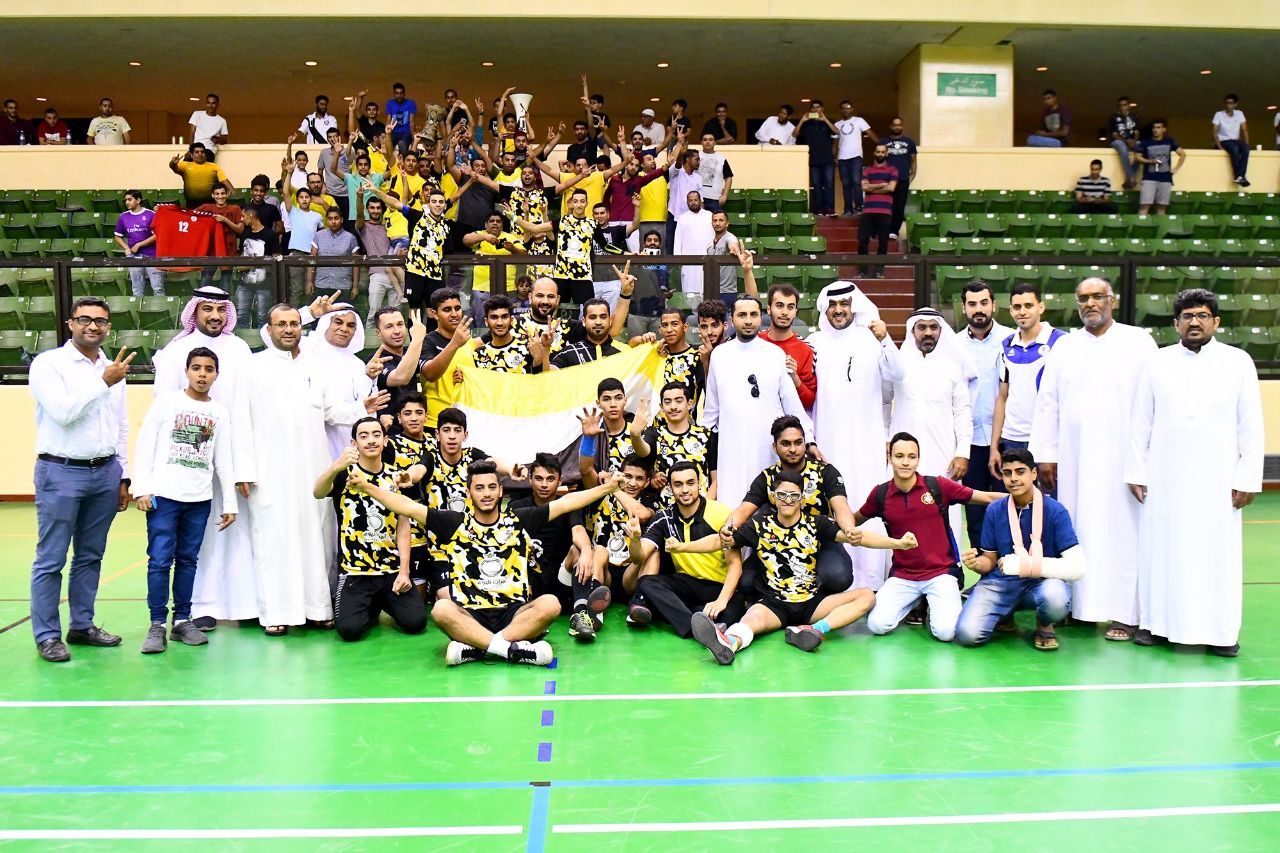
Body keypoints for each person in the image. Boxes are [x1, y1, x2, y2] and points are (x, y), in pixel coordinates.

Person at [352, 459, 620, 666]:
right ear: (469, 492)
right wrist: (365, 486)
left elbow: (567, 502)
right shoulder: (453, 523)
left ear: (501, 490)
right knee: (441, 609)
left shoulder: (518, 519)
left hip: (513, 614)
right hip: (471, 615)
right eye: (479, 488)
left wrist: (607, 488)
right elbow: (406, 507)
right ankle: (511, 650)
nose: (487, 493)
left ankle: (479, 649)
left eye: (492, 487)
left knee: (550, 603)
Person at [1125, 289, 1263, 657]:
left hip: (1218, 479)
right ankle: (1156, 625)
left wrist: (1248, 478)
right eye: (1187, 316)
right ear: (1176, 324)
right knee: (1161, 551)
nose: (1194, 322)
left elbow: (1251, 425)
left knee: (1216, 554)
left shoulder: (1238, 362)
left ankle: (1220, 633)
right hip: (1164, 477)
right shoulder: (1157, 362)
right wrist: (1136, 471)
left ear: (1216, 322)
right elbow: (1141, 421)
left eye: (1202, 316)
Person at [234, 301, 382, 636]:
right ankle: (275, 613)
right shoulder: (252, 368)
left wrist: (362, 408)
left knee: (317, 537)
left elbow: (330, 410)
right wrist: (243, 470)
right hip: (268, 471)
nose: (289, 330)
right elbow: (239, 420)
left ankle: (318, 609)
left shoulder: (315, 367)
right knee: (273, 538)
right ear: (269, 330)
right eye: (281, 324)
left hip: (314, 469)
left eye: (294, 324)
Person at [1031, 278, 1157, 639]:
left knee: (1124, 534)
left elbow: (1153, 402)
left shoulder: (1139, 342)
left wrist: (1148, 457)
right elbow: (1048, 403)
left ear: (1111, 301)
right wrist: (1046, 456)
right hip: (1075, 460)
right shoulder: (1066, 347)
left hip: (1125, 461)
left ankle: (1124, 613)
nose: (1090, 304)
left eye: (1097, 297)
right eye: (1083, 298)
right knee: (1077, 531)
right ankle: (1080, 608)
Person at [686, 470, 909, 664]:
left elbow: (858, 538)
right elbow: (719, 541)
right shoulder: (760, 524)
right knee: (751, 619)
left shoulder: (817, 523)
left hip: (811, 603)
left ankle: (813, 631)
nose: (788, 500)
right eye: (782, 495)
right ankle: (728, 643)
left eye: (794, 496)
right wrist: (682, 547)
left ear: (802, 498)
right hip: (774, 604)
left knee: (867, 596)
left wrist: (897, 544)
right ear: (774, 497)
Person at [27, 298, 133, 662]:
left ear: (108, 327)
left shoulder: (111, 366)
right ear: (71, 324)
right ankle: (47, 636)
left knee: (90, 555)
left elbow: (120, 424)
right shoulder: (49, 364)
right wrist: (103, 382)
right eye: (84, 319)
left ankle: (82, 626)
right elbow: (63, 412)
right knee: (51, 558)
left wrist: (123, 474)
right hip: (60, 470)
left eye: (100, 321)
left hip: (105, 472)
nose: (93, 326)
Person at [152, 288, 255, 630]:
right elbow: (163, 411)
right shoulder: (176, 352)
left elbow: (247, 409)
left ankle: (244, 604)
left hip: (232, 457)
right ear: (194, 313)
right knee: (199, 539)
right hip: (189, 460)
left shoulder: (239, 350)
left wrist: (244, 464)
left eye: (220, 309)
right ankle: (201, 606)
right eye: (206, 308)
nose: (214, 315)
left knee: (237, 530)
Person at [132, 348, 237, 654]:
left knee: (188, 560)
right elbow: (145, 445)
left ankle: (181, 620)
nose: (202, 374)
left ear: (216, 374)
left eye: (208, 369)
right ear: (187, 371)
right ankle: (156, 625)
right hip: (164, 498)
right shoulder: (166, 403)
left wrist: (230, 503)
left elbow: (224, 460)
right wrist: (142, 488)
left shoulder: (219, 413)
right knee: (160, 561)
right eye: (196, 368)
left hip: (199, 499)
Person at [861, 432, 1001, 642]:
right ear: (889, 457)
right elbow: (854, 519)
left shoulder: (937, 486)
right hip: (903, 575)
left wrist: (1029, 498)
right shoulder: (880, 494)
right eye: (899, 456)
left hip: (941, 573)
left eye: (911, 456)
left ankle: (931, 603)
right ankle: (917, 601)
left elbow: (986, 497)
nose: (906, 462)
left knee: (945, 632)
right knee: (877, 625)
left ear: (918, 459)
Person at [807, 282, 902, 589]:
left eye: (845, 304)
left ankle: (871, 580)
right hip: (828, 441)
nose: (838, 310)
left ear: (854, 307)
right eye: (833, 305)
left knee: (866, 502)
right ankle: (834, 580)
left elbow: (898, 377)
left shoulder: (872, 339)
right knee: (830, 505)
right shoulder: (814, 343)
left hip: (866, 442)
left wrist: (885, 339)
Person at [955, 449, 1084, 651]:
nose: (1013, 478)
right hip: (1002, 583)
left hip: (1041, 583)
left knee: (1056, 597)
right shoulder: (995, 510)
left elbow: (1077, 567)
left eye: (1020, 471)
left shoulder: (1056, 511)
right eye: (1007, 473)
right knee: (967, 634)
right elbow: (990, 559)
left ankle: (1044, 623)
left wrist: (1021, 565)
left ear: (1033, 473)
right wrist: (977, 564)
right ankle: (1004, 615)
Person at [313, 417, 426, 642]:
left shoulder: (396, 478)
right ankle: (371, 603)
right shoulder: (345, 474)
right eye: (363, 436)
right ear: (354, 444)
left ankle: (380, 599)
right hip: (356, 573)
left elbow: (403, 527)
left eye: (376, 435)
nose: (371, 440)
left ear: (385, 440)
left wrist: (404, 572)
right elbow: (318, 492)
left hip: (390, 571)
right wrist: (335, 466)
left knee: (416, 622)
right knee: (349, 631)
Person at [724, 414, 859, 593]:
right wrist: (728, 527)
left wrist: (849, 530)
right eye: (786, 444)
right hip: (777, 543)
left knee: (838, 577)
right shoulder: (767, 477)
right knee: (746, 582)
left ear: (805, 443)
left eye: (798, 442)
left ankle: (816, 597)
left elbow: (841, 506)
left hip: (819, 540)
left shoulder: (825, 471)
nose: (793, 449)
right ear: (775, 447)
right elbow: (744, 509)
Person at [703, 295, 814, 509]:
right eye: (742, 315)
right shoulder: (720, 355)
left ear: (761, 318)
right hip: (731, 448)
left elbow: (791, 404)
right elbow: (711, 412)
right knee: (732, 507)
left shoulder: (775, 354)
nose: (748, 320)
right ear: (732, 319)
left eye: (753, 315)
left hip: (767, 448)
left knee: (767, 506)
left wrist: (809, 440)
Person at [629, 462, 744, 638]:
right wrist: (635, 540)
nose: (684, 490)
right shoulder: (664, 517)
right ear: (670, 488)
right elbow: (638, 558)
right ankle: (696, 626)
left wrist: (721, 601)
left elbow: (735, 564)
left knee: (732, 611)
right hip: (686, 584)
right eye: (678, 484)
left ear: (699, 484)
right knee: (647, 583)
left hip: (718, 586)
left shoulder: (720, 512)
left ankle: (688, 617)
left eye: (690, 483)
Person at [891, 308, 974, 546]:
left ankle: (948, 563)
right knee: (902, 509)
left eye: (933, 327)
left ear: (940, 330)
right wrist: (886, 440)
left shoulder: (953, 367)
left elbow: (962, 411)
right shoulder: (899, 366)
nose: (928, 333)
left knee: (944, 509)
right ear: (912, 331)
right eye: (922, 327)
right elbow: (885, 403)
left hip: (943, 454)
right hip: (903, 456)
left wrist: (963, 452)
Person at [957, 281, 1013, 551]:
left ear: (993, 305)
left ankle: (1011, 567)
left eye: (983, 303)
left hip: (1007, 439)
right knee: (975, 512)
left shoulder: (1011, 340)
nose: (978, 309)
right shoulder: (954, 344)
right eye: (972, 304)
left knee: (1009, 509)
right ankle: (982, 568)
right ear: (963, 308)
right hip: (970, 442)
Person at [989, 283, 1065, 481]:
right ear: (1011, 310)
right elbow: (1002, 397)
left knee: (1050, 499)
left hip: (1047, 440)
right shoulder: (1006, 345)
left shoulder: (1062, 342)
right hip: (1012, 439)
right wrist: (994, 447)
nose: (1022, 312)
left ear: (1041, 307)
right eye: (1017, 307)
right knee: (1016, 499)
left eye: (1028, 305)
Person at [508, 453, 594, 612]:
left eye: (550, 479)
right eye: (538, 478)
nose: (544, 485)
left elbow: (578, 530)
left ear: (560, 481)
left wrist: (587, 551)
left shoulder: (569, 505)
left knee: (579, 550)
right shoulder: (516, 507)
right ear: (530, 480)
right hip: (527, 582)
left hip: (560, 580)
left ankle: (581, 612)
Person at [305, 302, 377, 459]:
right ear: (326, 323)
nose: (344, 329)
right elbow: (268, 335)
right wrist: (310, 313)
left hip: (348, 440)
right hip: (314, 437)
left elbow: (365, 406)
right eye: (338, 322)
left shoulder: (358, 364)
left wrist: (370, 378)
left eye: (351, 325)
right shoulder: (307, 350)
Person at [630, 385, 717, 505]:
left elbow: (716, 479)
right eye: (667, 402)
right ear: (661, 407)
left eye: (679, 401)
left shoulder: (706, 435)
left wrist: (706, 508)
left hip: (700, 508)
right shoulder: (654, 433)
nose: (673, 406)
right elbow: (643, 451)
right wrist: (635, 435)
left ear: (689, 404)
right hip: (665, 510)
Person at [752, 265, 816, 408]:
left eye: (790, 307)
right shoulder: (755, 342)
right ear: (769, 309)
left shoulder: (806, 350)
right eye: (779, 306)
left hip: (789, 419)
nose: (785, 312)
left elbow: (809, 401)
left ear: (796, 312)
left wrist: (794, 377)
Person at [465, 213, 527, 322]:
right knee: (481, 320)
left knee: (508, 320)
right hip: (482, 288)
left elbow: (525, 255)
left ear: (502, 225)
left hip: (508, 289)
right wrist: (484, 237)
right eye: (492, 221)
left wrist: (513, 249)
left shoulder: (510, 237)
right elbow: (466, 240)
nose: (495, 223)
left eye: (498, 221)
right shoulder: (480, 235)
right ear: (486, 225)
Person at [114, 190, 166, 297]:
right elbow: (117, 236)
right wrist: (126, 248)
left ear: (138, 200)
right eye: (126, 200)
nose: (127, 202)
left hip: (153, 255)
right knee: (137, 290)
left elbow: (157, 235)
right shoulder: (123, 217)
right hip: (133, 256)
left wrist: (139, 245)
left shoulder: (151, 214)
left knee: (158, 288)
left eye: (130, 199)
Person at [472, 294, 541, 374]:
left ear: (511, 320)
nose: (500, 323)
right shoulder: (478, 355)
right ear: (486, 322)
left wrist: (539, 358)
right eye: (494, 317)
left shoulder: (528, 348)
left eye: (504, 317)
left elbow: (540, 379)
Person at [193, 184, 244, 290]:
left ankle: (224, 301)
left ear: (227, 194)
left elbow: (240, 229)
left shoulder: (235, 209)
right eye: (217, 194)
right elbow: (189, 216)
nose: (220, 196)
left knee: (225, 284)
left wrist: (225, 220)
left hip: (228, 251)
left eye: (222, 193)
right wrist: (163, 209)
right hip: (210, 251)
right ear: (212, 195)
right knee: (205, 283)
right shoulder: (206, 208)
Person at [793, 100, 838, 216]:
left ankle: (830, 209)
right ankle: (819, 210)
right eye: (813, 107)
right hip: (813, 159)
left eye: (818, 107)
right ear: (810, 110)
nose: (816, 109)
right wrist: (802, 120)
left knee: (829, 184)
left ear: (822, 109)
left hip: (827, 159)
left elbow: (837, 132)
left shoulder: (828, 122)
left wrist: (825, 119)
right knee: (817, 185)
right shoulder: (806, 124)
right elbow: (794, 134)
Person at [858, 144, 897, 277]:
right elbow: (864, 188)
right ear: (874, 153)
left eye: (882, 152)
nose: (880, 154)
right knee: (862, 240)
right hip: (868, 211)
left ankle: (879, 270)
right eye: (878, 152)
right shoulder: (867, 170)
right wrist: (882, 185)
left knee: (883, 242)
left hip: (885, 211)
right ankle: (863, 271)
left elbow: (891, 188)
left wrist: (872, 187)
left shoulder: (893, 170)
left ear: (886, 154)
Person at [1133, 120, 1185, 216]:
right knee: (1144, 206)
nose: (1155, 130)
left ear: (1164, 129)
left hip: (1165, 178)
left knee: (1162, 208)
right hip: (1149, 178)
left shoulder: (1169, 141)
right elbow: (1137, 157)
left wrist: (1176, 169)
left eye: (1158, 127)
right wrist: (1150, 161)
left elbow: (1182, 154)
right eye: (1154, 127)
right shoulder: (1145, 142)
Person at [307, 207, 360, 300]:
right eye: (330, 219)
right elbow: (312, 259)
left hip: (343, 285)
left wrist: (355, 286)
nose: (333, 221)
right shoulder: (319, 236)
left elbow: (356, 264)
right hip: (321, 284)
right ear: (326, 220)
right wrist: (309, 281)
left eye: (336, 218)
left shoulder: (350, 238)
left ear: (341, 219)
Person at [835, 100, 876, 216]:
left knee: (856, 181)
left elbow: (869, 133)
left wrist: (881, 143)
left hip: (856, 156)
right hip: (842, 157)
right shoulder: (837, 124)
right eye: (843, 108)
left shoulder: (859, 121)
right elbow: (835, 141)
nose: (845, 110)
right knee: (846, 184)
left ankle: (859, 207)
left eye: (848, 107)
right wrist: (835, 156)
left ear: (852, 109)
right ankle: (848, 209)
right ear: (840, 110)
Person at [673, 190, 716, 298]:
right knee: (689, 290)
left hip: (707, 259)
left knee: (707, 288)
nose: (693, 203)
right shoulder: (682, 218)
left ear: (700, 200)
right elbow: (678, 240)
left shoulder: (709, 216)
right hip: (688, 263)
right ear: (687, 202)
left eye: (695, 200)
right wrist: (678, 259)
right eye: (690, 200)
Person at [883, 117, 917, 237]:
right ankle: (884, 229)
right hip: (887, 179)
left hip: (903, 178)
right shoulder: (883, 142)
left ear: (902, 126)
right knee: (886, 205)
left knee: (899, 206)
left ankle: (893, 231)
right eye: (894, 125)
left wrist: (913, 174)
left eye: (899, 125)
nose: (897, 127)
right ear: (891, 127)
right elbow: (878, 159)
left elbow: (913, 160)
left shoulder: (909, 142)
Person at [170, 143, 231, 208]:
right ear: (191, 155)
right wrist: (172, 163)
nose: (200, 154)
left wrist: (235, 196)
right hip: (191, 204)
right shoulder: (185, 165)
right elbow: (174, 168)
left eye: (202, 152)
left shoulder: (214, 166)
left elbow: (224, 180)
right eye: (197, 152)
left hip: (210, 203)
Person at [1212, 94, 1251, 187]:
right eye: (1226, 103)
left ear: (1235, 104)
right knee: (1234, 149)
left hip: (1235, 140)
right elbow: (1214, 131)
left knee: (1246, 149)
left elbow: (1244, 130)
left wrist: (1247, 144)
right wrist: (1218, 144)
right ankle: (1239, 176)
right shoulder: (1219, 114)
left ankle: (1240, 176)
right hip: (1224, 140)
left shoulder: (1239, 114)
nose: (1228, 105)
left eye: (1230, 103)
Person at [1108, 97, 1141, 189]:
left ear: (1129, 106)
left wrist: (1134, 141)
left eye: (1124, 105)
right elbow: (1114, 134)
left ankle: (1129, 178)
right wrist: (1127, 141)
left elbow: (1137, 132)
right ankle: (1131, 177)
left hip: (1131, 140)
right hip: (1117, 141)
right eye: (1120, 106)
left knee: (1141, 147)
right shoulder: (1114, 117)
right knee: (1122, 146)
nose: (1122, 107)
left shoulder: (1134, 116)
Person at [697, 134, 734, 214]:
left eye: (710, 140)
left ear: (715, 143)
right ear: (701, 142)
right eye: (705, 140)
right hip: (697, 198)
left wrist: (724, 196)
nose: (708, 142)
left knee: (715, 221)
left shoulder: (721, 159)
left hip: (714, 198)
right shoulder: (695, 156)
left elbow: (728, 178)